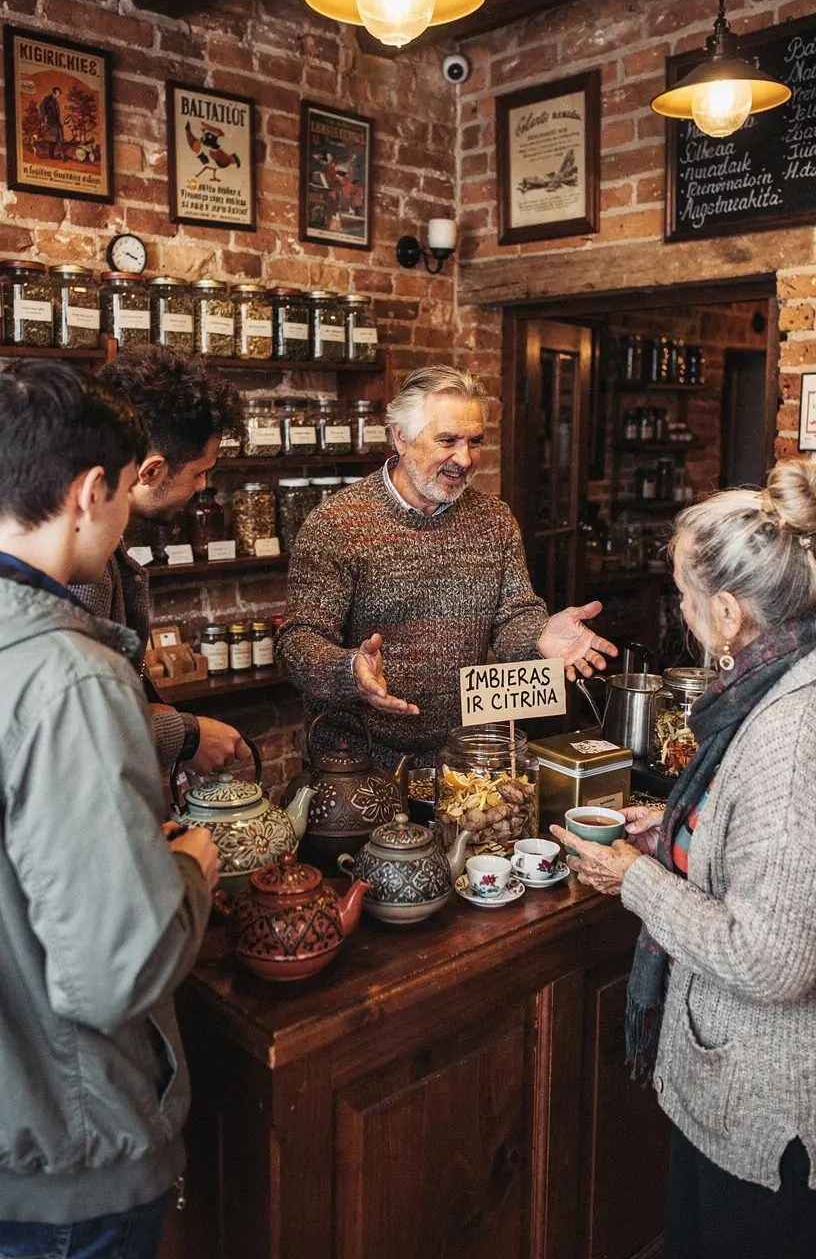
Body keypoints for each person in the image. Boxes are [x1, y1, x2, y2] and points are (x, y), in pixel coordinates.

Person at [551, 459, 816, 1259]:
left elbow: (773, 960)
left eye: (685, 595)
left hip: (768, 1116)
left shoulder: (791, 730)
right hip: (743, 1097)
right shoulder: (781, 681)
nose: (684, 611)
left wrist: (634, 878)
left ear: (729, 613)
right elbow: (778, 850)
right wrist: (678, 823)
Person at [0, 361, 218, 1257]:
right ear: (92, 491)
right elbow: (114, 972)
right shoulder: (70, 676)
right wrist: (187, 871)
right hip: (69, 1148)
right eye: (129, 489)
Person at [277, 365, 616, 765]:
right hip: (357, 765)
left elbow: (512, 618)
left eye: (475, 441)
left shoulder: (494, 519)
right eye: (448, 440)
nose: (465, 458)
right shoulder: (338, 524)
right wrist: (349, 669)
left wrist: (539, 635)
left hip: (462, 759)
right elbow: (296, 642)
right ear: (400, 437)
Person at [71, 345, 248, 773]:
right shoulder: (82, 566)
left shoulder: (100, 546)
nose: (203, 486)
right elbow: (77, 728)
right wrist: (187, 736)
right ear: (150, 472)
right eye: (198, 473)